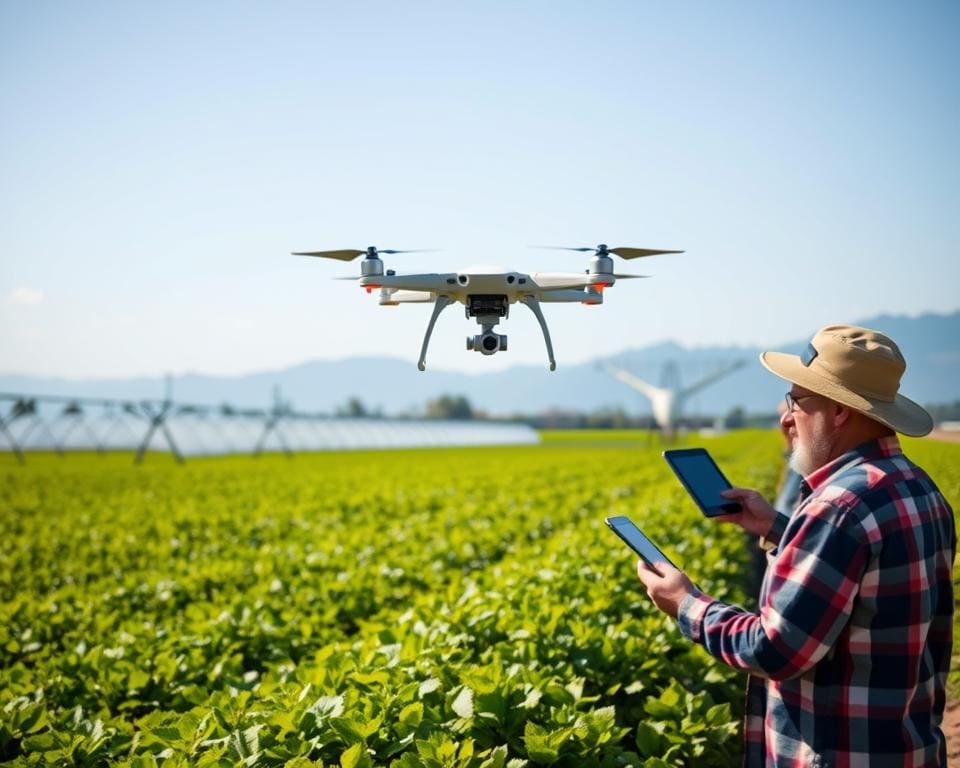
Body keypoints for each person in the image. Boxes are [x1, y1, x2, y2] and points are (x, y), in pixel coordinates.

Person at [635, 324, 955, 766]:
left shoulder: (839, 507)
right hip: (906, 748)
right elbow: (864, 581)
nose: (787, 418)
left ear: (839, 412)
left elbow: (775, 648)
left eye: (797, 401)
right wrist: (779, 527)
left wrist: (685, 603)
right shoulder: (919, 488)